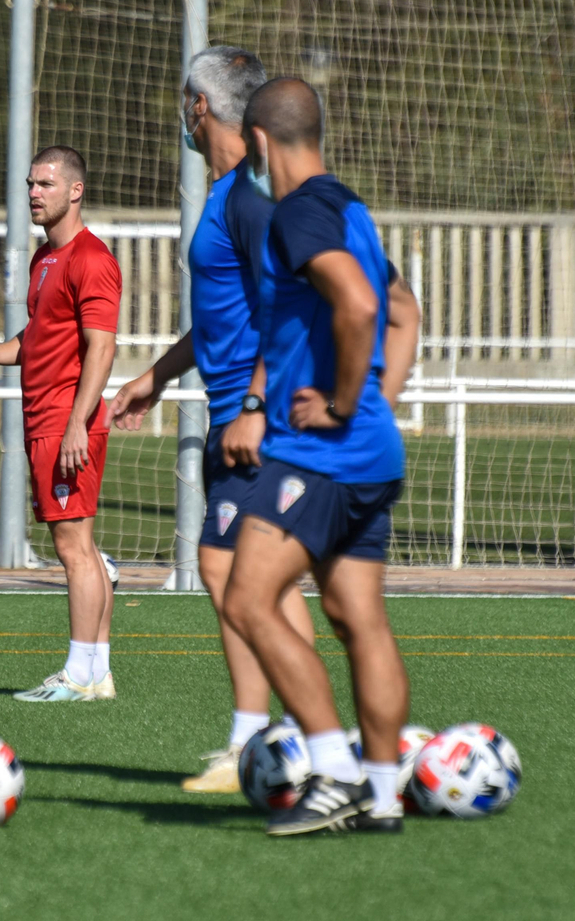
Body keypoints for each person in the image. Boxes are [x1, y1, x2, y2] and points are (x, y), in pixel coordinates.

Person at [107, 45, 317, 790]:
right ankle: (290, 741)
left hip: (254, 420)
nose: (181, 114)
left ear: (201, 106)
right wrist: (156, 377)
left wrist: (257, 406)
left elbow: (287, 303)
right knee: (262, 581)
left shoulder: (251, 195)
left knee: (228, 569)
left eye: (182, 99)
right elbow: (225, 316)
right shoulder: (233, 193)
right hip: (238, 412)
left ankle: (260, 743)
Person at [223, 77, 412, 836]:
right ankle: (386, 792)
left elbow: (362, 308)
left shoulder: (298, 212)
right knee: (355, 616)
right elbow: (405, 313)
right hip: (370, 453)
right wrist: (372, 405)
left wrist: (336, 404)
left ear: (261, 141)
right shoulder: (350, 207)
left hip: (319, 456)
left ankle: (332, 773)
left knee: (246, 600)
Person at [0, 145, 122, 702]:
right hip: (46, 420)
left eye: (46, 185)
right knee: (78, 546)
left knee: (74, 550)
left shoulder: (91, 259)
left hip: (67, 422)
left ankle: (80, 674)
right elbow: (40, 338)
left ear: (75, 191)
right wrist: (0, 350)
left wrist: (78, 424)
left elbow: (102, 348)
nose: (34, 194)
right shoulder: (44, 259)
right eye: (31, 184)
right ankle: (97, 673)